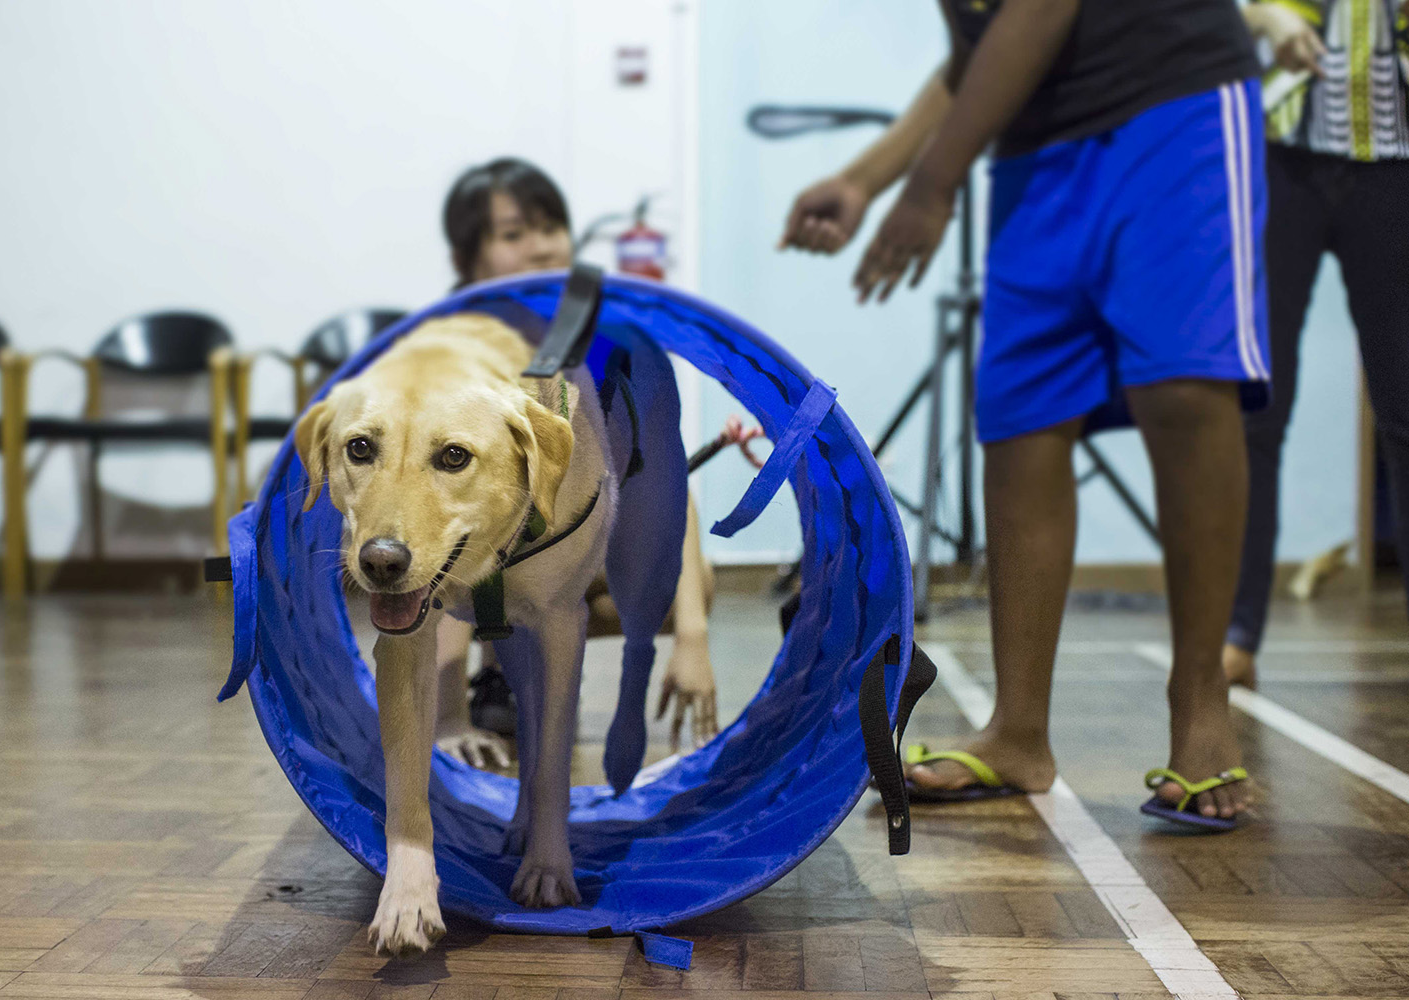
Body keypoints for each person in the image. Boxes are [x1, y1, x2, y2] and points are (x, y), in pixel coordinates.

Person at [782, 0, 1265, 828]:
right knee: (1021, 422)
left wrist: (932, 186)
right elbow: (976, 52)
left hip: (1173, 102)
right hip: (1038, 148)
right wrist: (869, 177)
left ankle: (1201, 701)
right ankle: (1017, 731)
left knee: (1184, 389)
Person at [433, 157, 746, 766]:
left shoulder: (608, 341)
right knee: (450, 525)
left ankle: (523, 656)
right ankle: (488, 672)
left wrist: (692, 640)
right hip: (483, 558)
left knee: (688, 583)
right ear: (469, 261)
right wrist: (445, 722)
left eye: (550, 228)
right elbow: (439, 543)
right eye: (513, 234)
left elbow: (666, 485)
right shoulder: (456, 354)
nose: (540, 248)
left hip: (568, 550)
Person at [1222, 1, 1409, 690]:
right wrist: (1265, 15)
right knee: (1256, 409)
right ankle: (1238, 629)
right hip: (1282, 158)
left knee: (1404, 410)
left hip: (1397, 169)